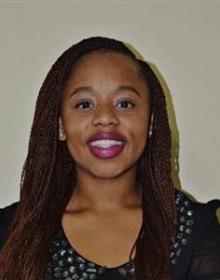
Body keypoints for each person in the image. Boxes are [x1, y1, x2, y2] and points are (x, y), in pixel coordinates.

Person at [0, 36, 220, 280]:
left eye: (125, 103)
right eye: (84, 104)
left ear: (151, 122)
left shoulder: (197, 228)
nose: (105, 117)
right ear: (60, 125)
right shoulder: (11, 232)